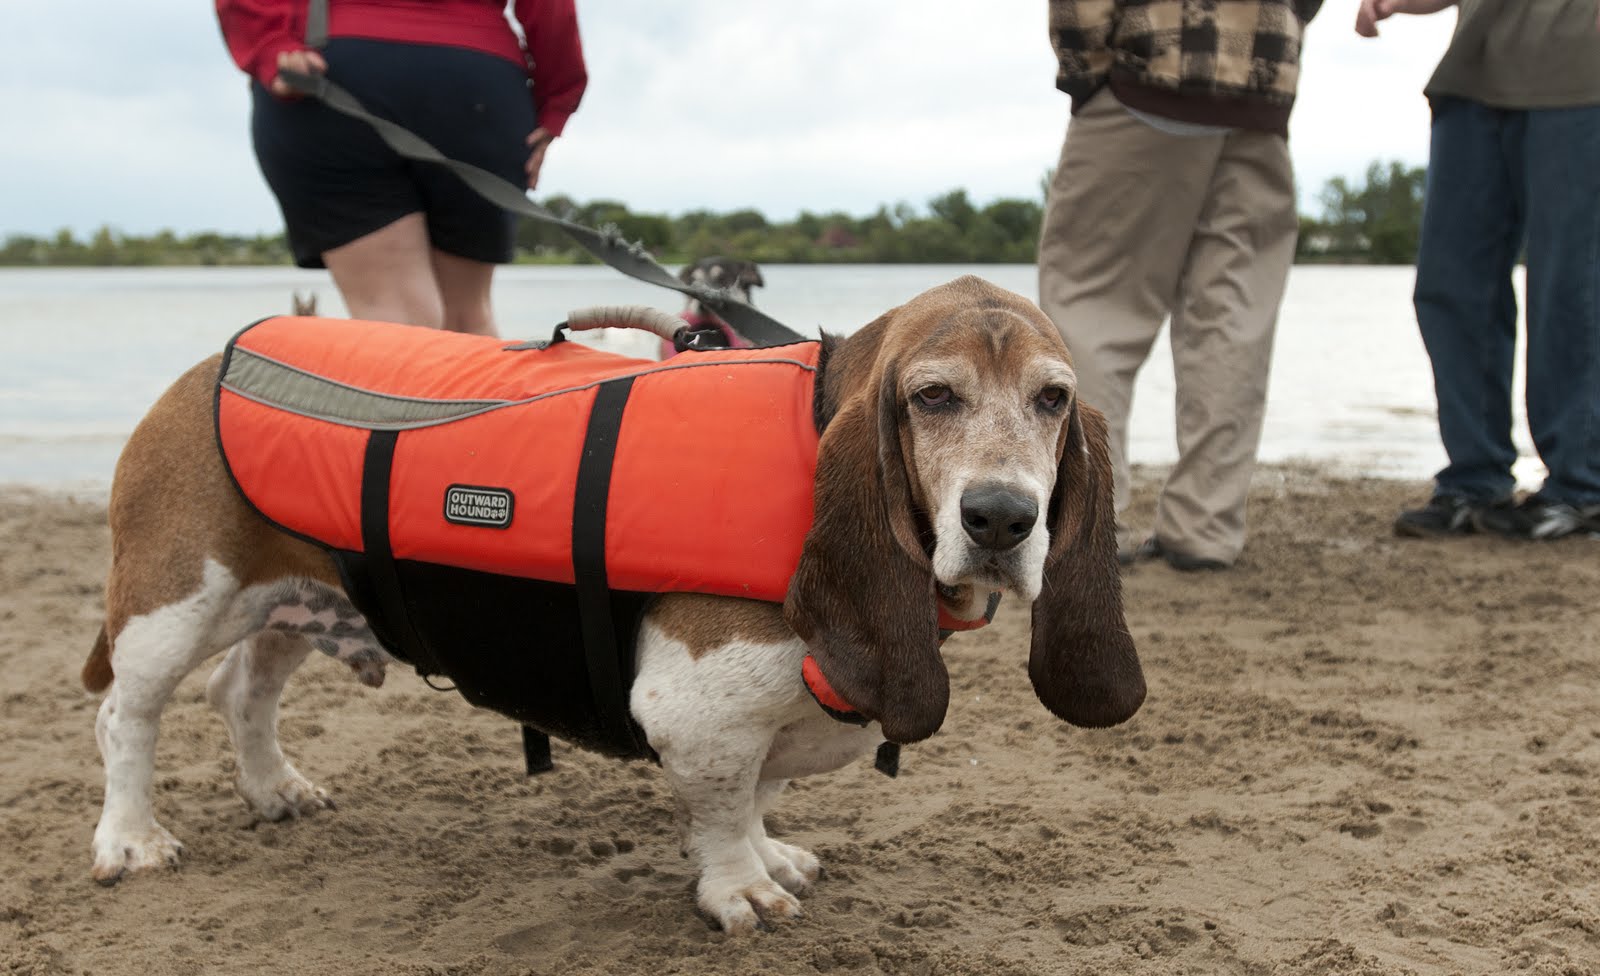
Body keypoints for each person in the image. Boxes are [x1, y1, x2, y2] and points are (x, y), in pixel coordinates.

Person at [1038, 0, 1323, 571]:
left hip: (1148, 80)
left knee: (1094, 311)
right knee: (1232, 324)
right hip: (1262, 92)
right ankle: (1206, 529)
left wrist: (1089, 77)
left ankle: (1094, 524)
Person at [1363, 0, 1600, 541]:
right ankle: (1473, 480)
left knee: (1571, 287)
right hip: (1473, 74)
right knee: (1451, 287)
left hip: (1581, 75)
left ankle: (1582, 486)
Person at [216, 0, 586, 336]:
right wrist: (556, 99)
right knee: (467, 320)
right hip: (477, 83)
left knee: (391, 317)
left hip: (332, 69)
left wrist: (271, 46)